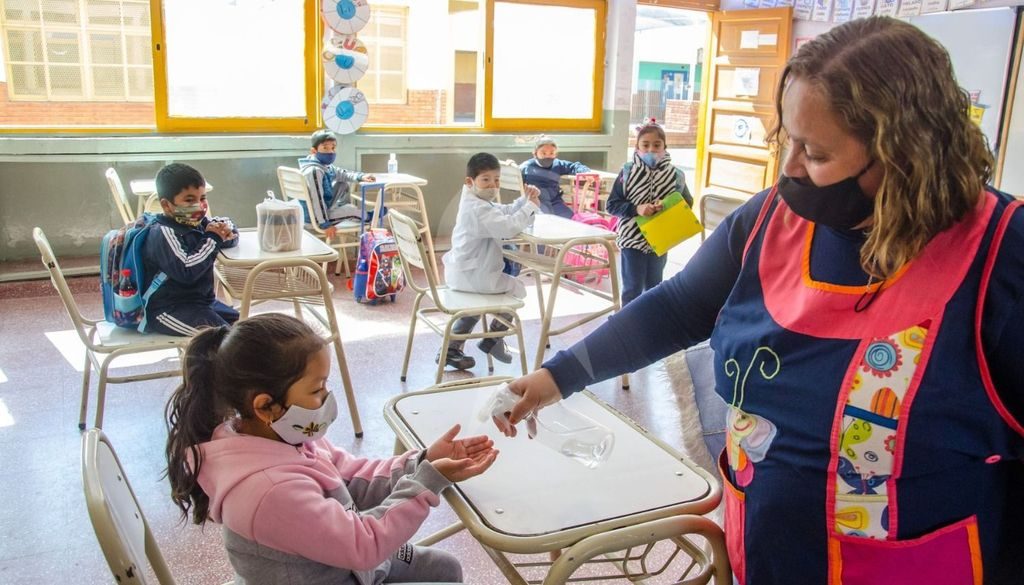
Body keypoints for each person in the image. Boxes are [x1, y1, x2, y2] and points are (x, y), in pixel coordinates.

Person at [497, 17, 1024, 585]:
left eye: (816, 153)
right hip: (767, 551)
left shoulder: (1000, 255)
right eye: (787, 141)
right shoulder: (772, 219)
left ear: (905, 153)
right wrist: (557, 377)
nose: (789, 167)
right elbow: (677, 308)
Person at [165, 314, 498, 585]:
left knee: (445, 569)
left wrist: (421, 462)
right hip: (350, 561)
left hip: (350, 563)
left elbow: (353, 475)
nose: (327, 398)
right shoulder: (267, 492)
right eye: (317, 389)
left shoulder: (287, 437)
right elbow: (364, 545)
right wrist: (427, 483)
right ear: (266, 406)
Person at [440, 152, 541, 370]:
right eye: (486, 180)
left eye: (496, 180)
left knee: (477, 305)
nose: (492, 186)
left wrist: (523, 201)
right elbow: (508, 227)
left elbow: (500, 212)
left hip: (462, 274)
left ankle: (451, 349)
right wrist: (530, 206)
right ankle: (493, 339)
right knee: (517, 288)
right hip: (475, 276)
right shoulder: (477, 208)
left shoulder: (475, 201)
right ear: (470, 181)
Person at [141, 163, 239, 336]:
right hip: (168, 310)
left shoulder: (196, 222)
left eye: (202, 198)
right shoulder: (163, 232)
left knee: (242, 328)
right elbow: (187, 270)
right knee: (225, 341)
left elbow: (223, 238)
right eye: (189, 200)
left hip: (201, 304)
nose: (199, 205)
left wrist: (226, 231)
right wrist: (214, 238)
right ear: (166, 205)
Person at [607, 120, 692, 306]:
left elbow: (688, 203)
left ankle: (649, 325)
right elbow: (612, 205)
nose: (651, 150)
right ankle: (628, 327)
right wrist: (637, 209)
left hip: (660, 241)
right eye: (645, 145)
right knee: (632, 288)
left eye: (656, 145)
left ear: (665, 146)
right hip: (632, 240)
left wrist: (668, 204)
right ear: (637, 147)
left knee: (654, 286)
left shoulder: (675, 175)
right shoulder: (627, 172)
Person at [298, 129, 376, 240]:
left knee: (342, 183)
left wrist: (360, 177)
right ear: (314, 151)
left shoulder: (322, 165)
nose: (330, 151)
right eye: (325, 148)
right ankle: (369, 217)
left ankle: (339, 210)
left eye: (333, 147)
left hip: (317, 210)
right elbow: (317, 199)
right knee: (351, 211)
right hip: (314, 217)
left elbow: (342, 173)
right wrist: (325, 224)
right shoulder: (314, 171)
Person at [518, 137, 592, 218]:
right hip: (536, 202)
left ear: (555, 154)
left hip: (556, 203)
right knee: (545, 222)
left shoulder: (557, 164)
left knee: (571, 220)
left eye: (551, 153)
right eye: (543, 153)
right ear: (535, 154)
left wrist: (585, 172)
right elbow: (516, 177)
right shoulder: (526, 167)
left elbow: (574, 166)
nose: (548, 156)